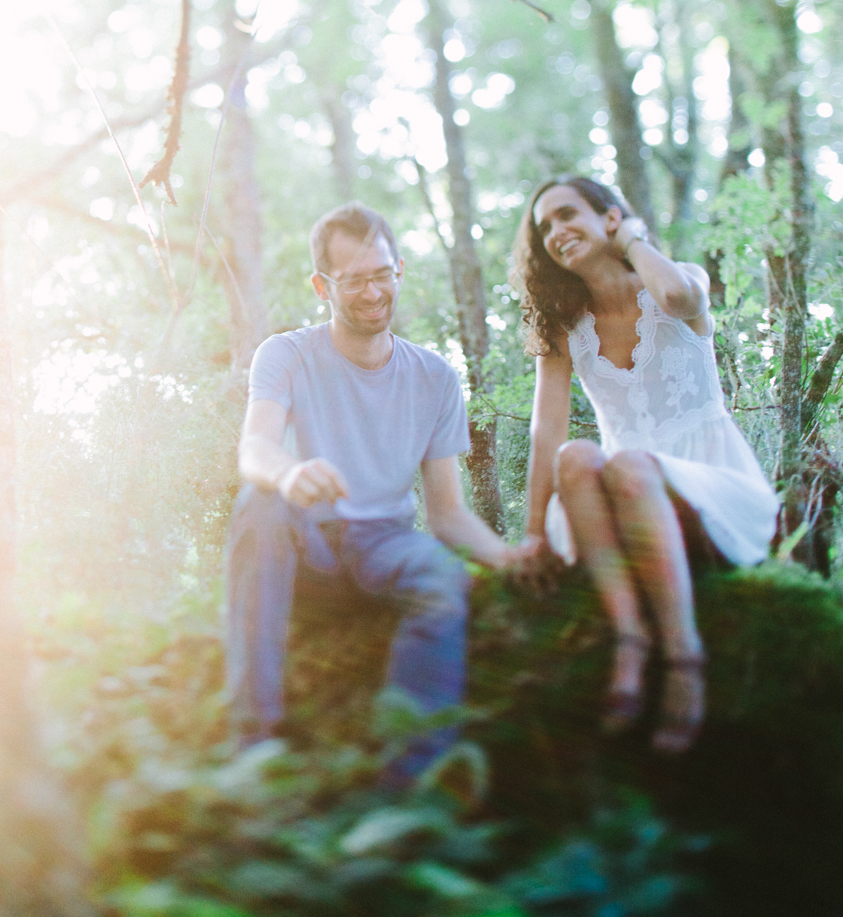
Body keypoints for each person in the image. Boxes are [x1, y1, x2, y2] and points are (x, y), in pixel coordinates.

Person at [226, 202, 510, 780]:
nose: (373, 292)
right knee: (259, 502)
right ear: (321, 285)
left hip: (387, 545)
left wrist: (509, 558)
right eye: (354, 280)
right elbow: (254, 449)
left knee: (441, 575)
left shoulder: (434, 377)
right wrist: (287, 473)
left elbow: (448, 514)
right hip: (313, 548)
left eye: (382, 275)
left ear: (399, 269)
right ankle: (253, 744)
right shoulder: (286, 354)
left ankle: (411, 782)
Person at [510, 176, 779, 754]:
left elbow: (682, 300)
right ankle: (630, 638)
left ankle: (685, 657)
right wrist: (533, 532)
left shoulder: (677, 280)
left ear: (610, 218)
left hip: (710, 486)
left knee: (630, 465)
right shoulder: (565, 328)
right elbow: (546, 430)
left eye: (567, 215)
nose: (556, 233)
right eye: (545, 228)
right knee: (580, 455)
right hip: (624, 503)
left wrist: (633, 240)